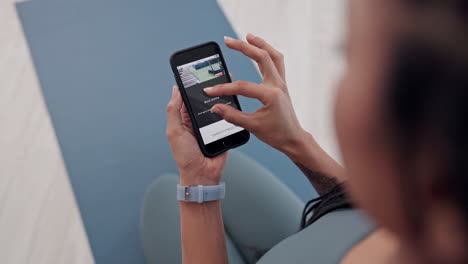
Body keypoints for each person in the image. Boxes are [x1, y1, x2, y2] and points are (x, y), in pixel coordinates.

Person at [143, 0, 468, 263]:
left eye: (349, 53)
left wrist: (197, 184)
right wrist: (294, 139)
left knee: (161, 195)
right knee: (233, 168)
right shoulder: (423, 221)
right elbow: (354, 207)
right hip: (323, 231)